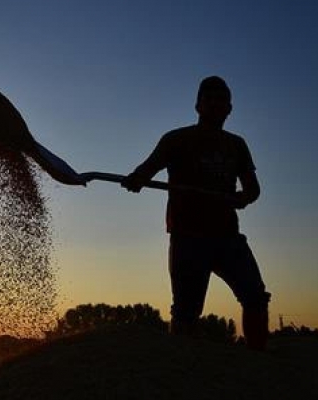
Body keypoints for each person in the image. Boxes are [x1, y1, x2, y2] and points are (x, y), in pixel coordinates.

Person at [121, 76, 271, 350]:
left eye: (221, 99)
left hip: (227, 236)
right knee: (186, 312)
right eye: (209, 98)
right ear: (198, 105)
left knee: (255, 297)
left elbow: (253, 188)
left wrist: (243, 198)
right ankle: (182, 366)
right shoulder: (176, 140)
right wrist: (136, 179)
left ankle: (257, 357)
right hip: (188, 237)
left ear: (229, 108)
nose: (215, 104)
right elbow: (148, 168)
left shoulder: (236, 145)